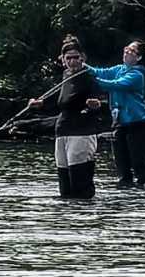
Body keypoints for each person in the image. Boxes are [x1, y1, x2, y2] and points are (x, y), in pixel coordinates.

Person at [26, 34, 104, 198]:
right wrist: (39, 104)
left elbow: (98, 98)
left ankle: (83, 215)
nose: (73, 61)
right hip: (63, 130)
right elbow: (59, 100)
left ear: (83, 57)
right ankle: (67, 217)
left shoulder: (90, 77)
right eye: (69, 58)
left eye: (76, 57)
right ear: (63, 59)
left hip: (82, 132)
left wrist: (96, 104)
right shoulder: (65, 76)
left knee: (80, 180)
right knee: (64, 182)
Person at [88, 39, 145, 188]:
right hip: (120, 123)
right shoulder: (119, 69)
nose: (126, 51)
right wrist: (82, 66)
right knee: (121, 162)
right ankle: (125, 189)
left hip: (138, 123)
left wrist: (91, 79)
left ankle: (144, 189)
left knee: (139, 161)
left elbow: (116, 85)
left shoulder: (137, 75)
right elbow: (100, 72)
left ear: (139, 58)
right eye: (126, 48)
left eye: (131, 51)